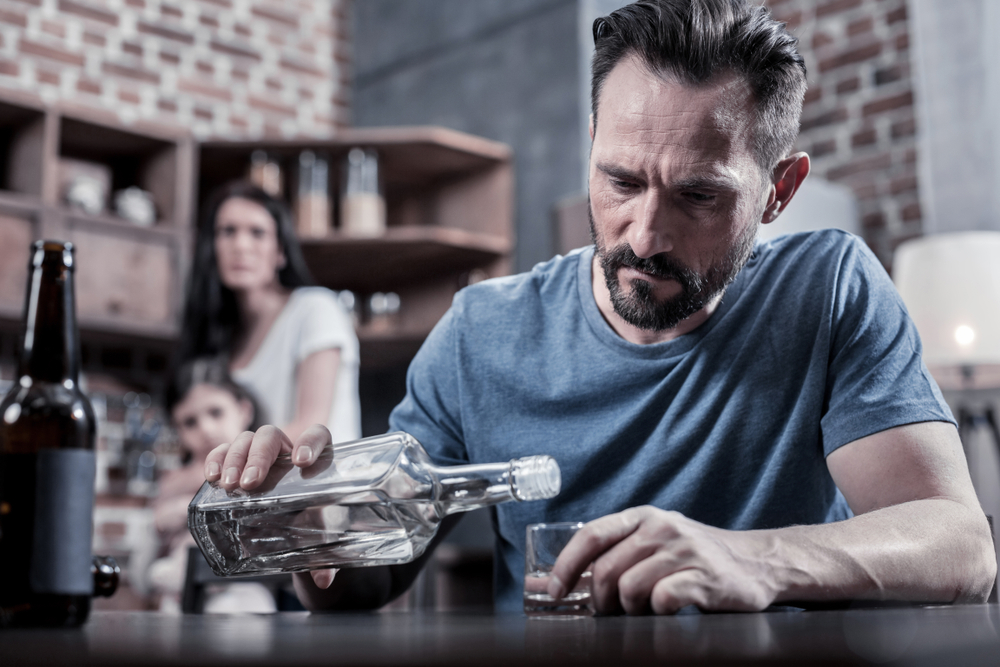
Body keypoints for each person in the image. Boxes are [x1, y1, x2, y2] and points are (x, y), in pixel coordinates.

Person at [203, 0, 997, 615]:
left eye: (697, 195)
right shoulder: (483, 334)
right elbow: (362, 585)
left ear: (779, 191)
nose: (645, 235)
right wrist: (313, 528)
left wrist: (755, 559)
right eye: (620, 181)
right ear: (590, 142)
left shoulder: (826, 291)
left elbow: (960, 546)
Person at [177, 180, 361, 448]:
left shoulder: (316, 309)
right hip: (255, 485)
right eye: (228, 231)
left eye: (257, 232)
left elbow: (309, 429)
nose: (240, 245)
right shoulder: (223, 337)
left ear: (281, 251)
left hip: (326, 487)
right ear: (212, 247)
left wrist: (203, 470)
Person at [150, 358, 276, 613]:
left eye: (216, 412)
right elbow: (145, 570)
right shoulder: (172, 482)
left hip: (243, 595)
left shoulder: (266, 471)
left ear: (244, 411)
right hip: (178, 599)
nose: (206, 429)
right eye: (189, 422)